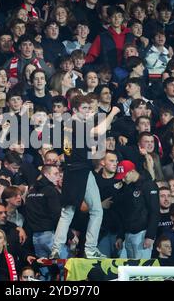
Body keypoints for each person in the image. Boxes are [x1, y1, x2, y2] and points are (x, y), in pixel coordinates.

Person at [50, 95, 120, 259]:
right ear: (74, 110)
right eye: (84, 108)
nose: (88, 111)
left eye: (89, 108)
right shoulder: (75, 123)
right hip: (81, 172)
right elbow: (100, 130)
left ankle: (56, 248)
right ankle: (89, 248)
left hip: (71, 171)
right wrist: (113, 112)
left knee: (68, 212)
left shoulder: (67, 125)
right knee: (96, 210)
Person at [114, 160, 160, 259]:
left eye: (124, 176)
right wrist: (120, 236)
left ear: (132, 171)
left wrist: (150, 235)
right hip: (128, 234)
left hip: (142, 235)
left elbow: (154, 211)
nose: (123, 179)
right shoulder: (126, 187)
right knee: (130, 270)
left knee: (142, 271)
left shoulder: (148, 185)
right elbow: (123, 213)